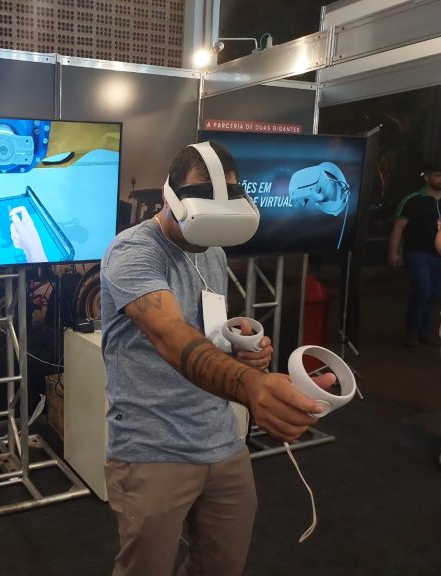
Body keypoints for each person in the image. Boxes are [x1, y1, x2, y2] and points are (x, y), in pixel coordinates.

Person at [100, 141, 332, 576]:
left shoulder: (212, 250)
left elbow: (202, 331)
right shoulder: (132, 251)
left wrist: (240, 350)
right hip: (153, 447)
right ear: (170, 196)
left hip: (222, 440)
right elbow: (170, 335)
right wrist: (251, 386)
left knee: (222, 564)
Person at [388, 161, 441, 347]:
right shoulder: (413, 200)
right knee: (422, 290)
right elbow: (399, 227)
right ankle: (412, 332)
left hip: (439, 255)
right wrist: (393, 252)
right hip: (417, 253)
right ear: (427, 177)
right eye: (438, 175)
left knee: (434, 294)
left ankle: (423, 332)